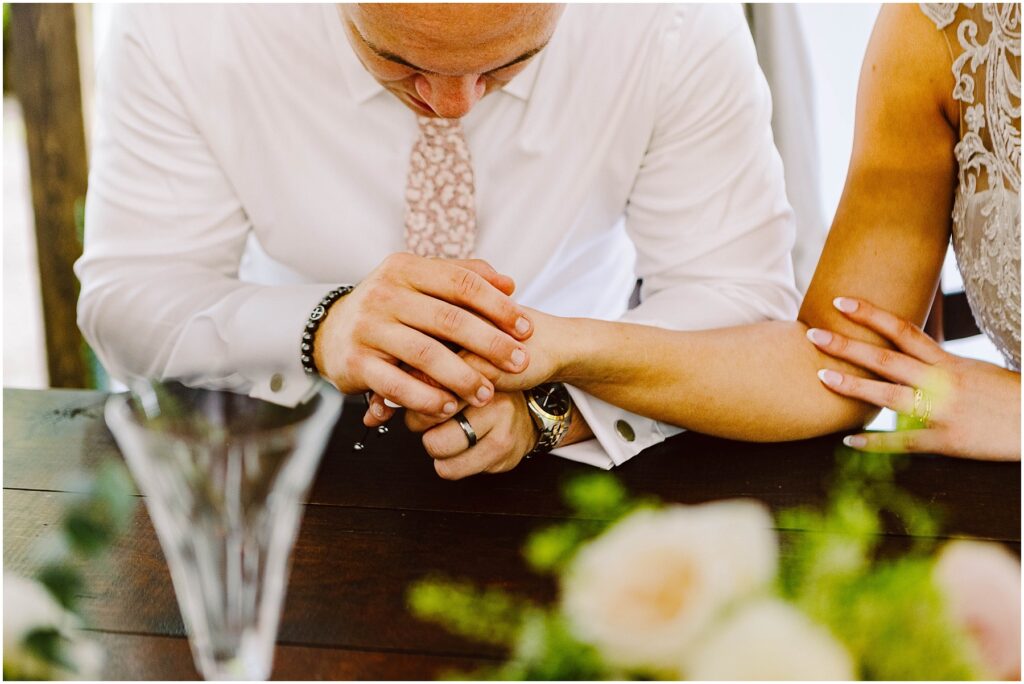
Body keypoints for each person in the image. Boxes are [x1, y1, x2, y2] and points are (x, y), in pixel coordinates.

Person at [76, 4, 800, 474]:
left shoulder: (673, 22)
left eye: (509, 62)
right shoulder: (186, 21)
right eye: (400, 61)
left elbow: (739, 305)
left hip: (589, 450)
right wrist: (321, 326)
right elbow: (128, 301)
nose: (453, 104)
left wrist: (552, 405)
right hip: (280, 450)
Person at [387, 2, 1019, 474]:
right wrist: (553, 346)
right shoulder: (939, 25)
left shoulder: (675, 26)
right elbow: (837, 365)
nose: (451, 102)